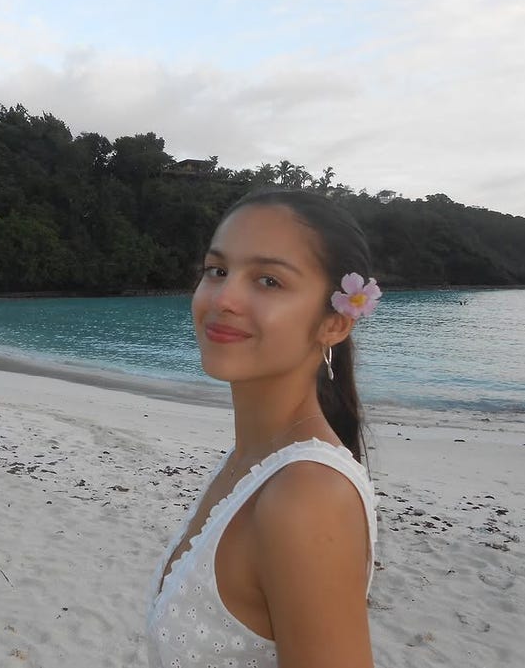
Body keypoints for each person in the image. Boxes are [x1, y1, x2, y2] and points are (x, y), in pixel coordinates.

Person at [146, 189, 381, 668]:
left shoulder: (308, 497)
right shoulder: (249, 464)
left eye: (269, 280)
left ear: (335, 323)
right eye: (217, 270)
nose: (224, 298)